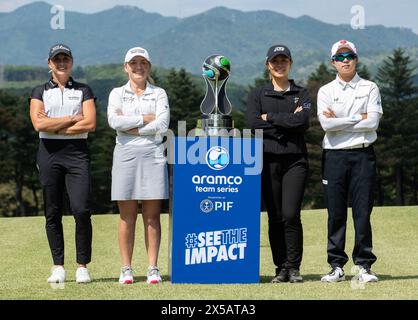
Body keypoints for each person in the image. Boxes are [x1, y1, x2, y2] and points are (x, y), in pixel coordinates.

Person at [29, 44, 96, 284]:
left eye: (65, 59)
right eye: (56, 59)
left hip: (77, 153)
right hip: (49, 153)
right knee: (53, 211)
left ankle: (82, 266)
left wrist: (54, 124)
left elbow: (89, 123)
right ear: (49, 63)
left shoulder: (83, 90)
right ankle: (58, 266)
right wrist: (70, 119)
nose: (61, 63)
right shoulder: (40, 91)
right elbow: (38, 125)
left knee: (81, 209)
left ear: (71, 62)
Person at [318, 40, 382, 283]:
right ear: (333, 62)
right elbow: (327, 125)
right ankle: (336, 265)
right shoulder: (326, 91)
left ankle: (364, 265)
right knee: (335, 213)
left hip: (363, 155)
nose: (346, 60)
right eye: (340, 56)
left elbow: (372, 123)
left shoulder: (370, 87)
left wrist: (342, 119)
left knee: (362, 212)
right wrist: (359, 116)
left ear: (356, 59)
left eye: (350, 56)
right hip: (334, 156)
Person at [246, 45, 311, 283]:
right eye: (275, 61)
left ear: (290, 63)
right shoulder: (258, 94)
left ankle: (293, 267)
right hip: (267, 159)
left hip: (295, 160)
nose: (279, 64)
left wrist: (270, 118)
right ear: (268, 65)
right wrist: (287, 122)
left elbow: (302, 122)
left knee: (291, 214)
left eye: (284, 60)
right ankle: (280, 268)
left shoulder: (301, 94)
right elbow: (253, 123)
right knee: (275, 216)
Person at [107, 47, 170, 285]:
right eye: (133, 63)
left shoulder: (159, 93)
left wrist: (131, 126)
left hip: (153, 152)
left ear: (149, 67)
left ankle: (153, 268)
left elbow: (163, 125)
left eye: (143, 63)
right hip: (125, 154)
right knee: (127, 215)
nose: (138, 67)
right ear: (126, 67)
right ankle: (127, 268)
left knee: (152, 216)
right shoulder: (116, 93)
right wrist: (145, 119)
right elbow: (114, 121)